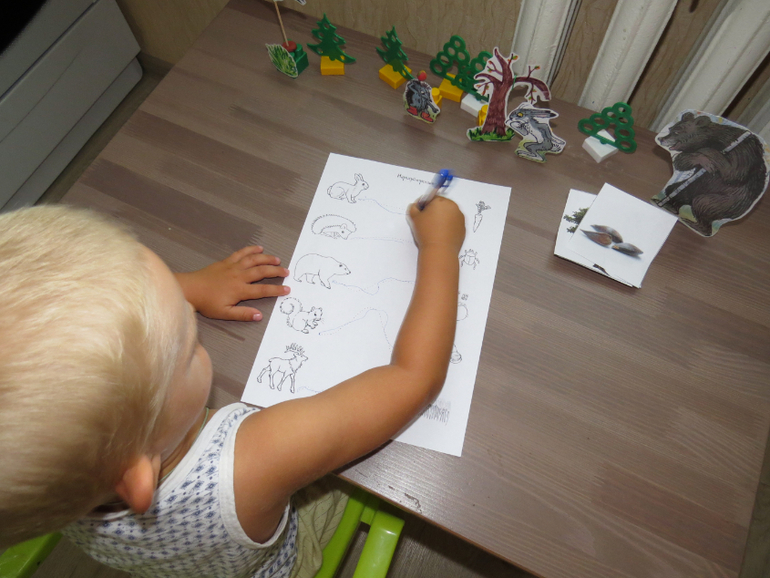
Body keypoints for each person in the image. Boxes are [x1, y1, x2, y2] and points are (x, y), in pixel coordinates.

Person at [0, 198, 464, 577]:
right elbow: (414, 378)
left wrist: (187, 287)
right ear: (136, 474)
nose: (190, 315)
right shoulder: (256, 461)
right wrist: (439, 247)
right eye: (188, 343)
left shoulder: (49, 478)